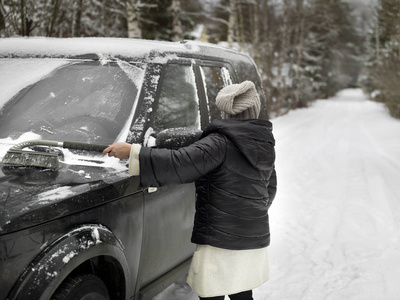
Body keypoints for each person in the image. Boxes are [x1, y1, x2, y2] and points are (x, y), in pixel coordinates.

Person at [103, 81, 277, 300]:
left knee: (212, 294)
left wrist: (134, 151)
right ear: (254, 109)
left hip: (220, 241)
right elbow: (269, 187)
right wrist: (248, 214)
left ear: (226, 111)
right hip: (252, 237)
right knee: (242, 294)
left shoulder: (219, 142)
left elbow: (179, 163)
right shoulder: (264, 143)